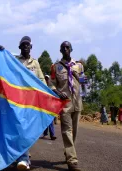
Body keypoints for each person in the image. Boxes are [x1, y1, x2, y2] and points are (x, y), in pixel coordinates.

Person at [14, 36, 47, 170]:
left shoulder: (35, 63)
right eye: (23, 45)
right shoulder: (14, 61)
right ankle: (23, 158)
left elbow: (41, 80)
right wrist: (1, 52)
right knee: (20, 129)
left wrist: (48, 95)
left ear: (31, 47)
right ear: (20, 47)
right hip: (17, 101)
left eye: (28, 45)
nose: (26, 47)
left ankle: (24, 157)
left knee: (26, 130)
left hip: (31, 102)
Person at [49, 41, 83, 171]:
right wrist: (57, 92)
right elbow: (51, 84)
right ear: (60, 50)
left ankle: (68, 152)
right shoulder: (56, 67)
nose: (65, 49)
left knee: (75, 132)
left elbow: (83, 82)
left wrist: (84, 81)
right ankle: (72, 161)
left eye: (67, 47)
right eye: (63, 47)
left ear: (71, 49)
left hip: (77, 102)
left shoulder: (79, 66)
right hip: (65, 104)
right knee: (66, 131)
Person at [41, 75, 57, 140]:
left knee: (50, 121)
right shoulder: (43, 87)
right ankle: (48, 134)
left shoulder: (51, 88)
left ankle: (50, 134)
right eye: (45, 79)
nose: (46, 80)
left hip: (51, 106)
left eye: (47, 79)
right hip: (45, 106)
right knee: (47, 121)